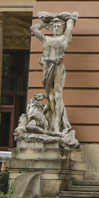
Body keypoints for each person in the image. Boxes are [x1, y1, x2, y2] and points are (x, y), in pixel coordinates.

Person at [30, 11, 79, 140]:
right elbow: (33, 28)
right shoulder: (46, 38)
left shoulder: (64, 39)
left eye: (59, 26)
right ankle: (51, 125)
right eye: (55, 26)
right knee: (50, 96)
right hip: (46, 68)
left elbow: (70, 24)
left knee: (57, 94)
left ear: (62, 29)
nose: (57, 28)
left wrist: (69, 21)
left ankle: (57, 125)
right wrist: (46, 22)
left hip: (57, 67)